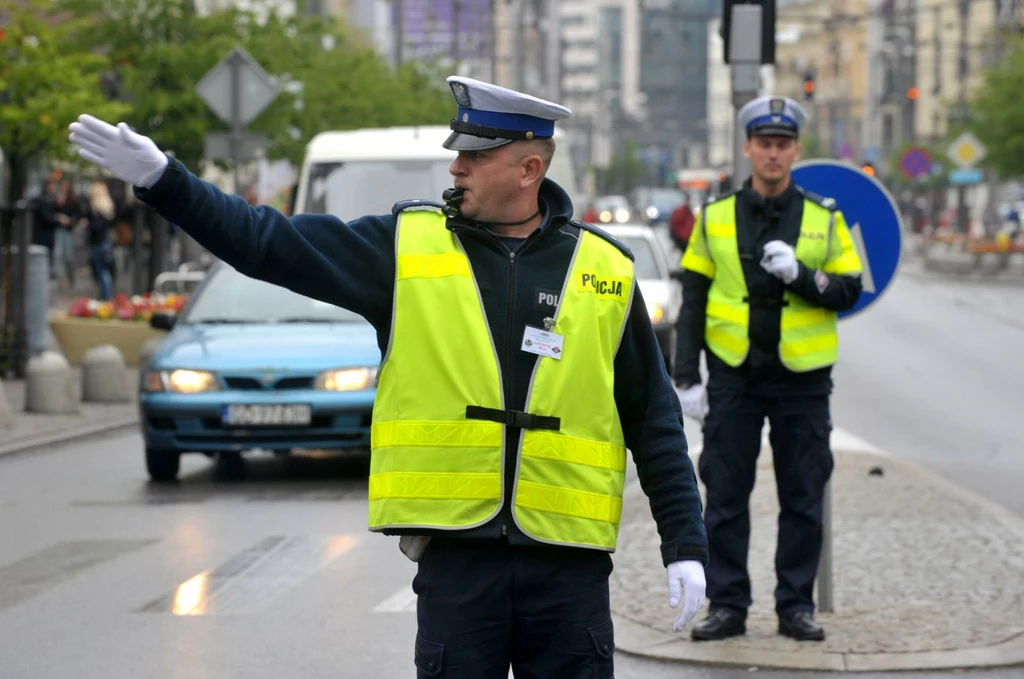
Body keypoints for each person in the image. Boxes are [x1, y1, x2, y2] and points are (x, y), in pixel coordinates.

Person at [69, 75, 709, 677]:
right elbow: (269, 243)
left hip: (570, 571)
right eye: (457, 152)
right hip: (460, 563)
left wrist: (685, 544)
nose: (455, 167)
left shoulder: (604, 271)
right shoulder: (404, 247)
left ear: (528, 169)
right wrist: (165, 180)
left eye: (474, 156)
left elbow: (653, 421)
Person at [672, 95, 863, 642]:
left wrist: (803, 275)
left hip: (802, 383)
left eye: (783, 145)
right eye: (764, 144)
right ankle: (728, 605)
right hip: (734, 379)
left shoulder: (825, 220)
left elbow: (848, 287)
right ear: (749, 148)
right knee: (725, 497)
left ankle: (795, 606)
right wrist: (686, 377)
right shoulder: (714, 217)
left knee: (803, 497)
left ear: (795, 151)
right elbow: (695, 300)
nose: (773, 154)